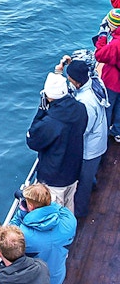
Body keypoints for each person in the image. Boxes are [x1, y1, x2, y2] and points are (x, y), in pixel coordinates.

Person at [10, 183, 76, 284]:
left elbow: (9, 236)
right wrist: (43, 203)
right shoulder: (69, 221)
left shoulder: (25, 235)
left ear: (30, 206)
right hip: (56, 279)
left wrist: (21, 212)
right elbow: (58, 209)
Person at [26, 72, 87, 212]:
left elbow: (32, 141)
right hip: (73, 170)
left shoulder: (50, 122)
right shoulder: (81, 108)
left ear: (48, 96)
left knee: (54, 213)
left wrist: (41, 110)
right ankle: (70, 231)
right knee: (69, 206)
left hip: (54, 177)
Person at [55, 58, 108, 217]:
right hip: (99, 138)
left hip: (90, 148)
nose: (69, 83)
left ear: (78, 83)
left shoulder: (86, 102)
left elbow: (83, 129)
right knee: (88, 174)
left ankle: (79, 212)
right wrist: (65, 68)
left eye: (70, 80)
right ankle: (92, 182)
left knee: (83, 182)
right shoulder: (94, 81)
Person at [94, 9, 120, 142]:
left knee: (108, 107)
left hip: (113, 82)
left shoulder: (116, 44)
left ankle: (104, 133)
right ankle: (118, 132)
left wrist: (103, 35)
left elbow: (99, 55)